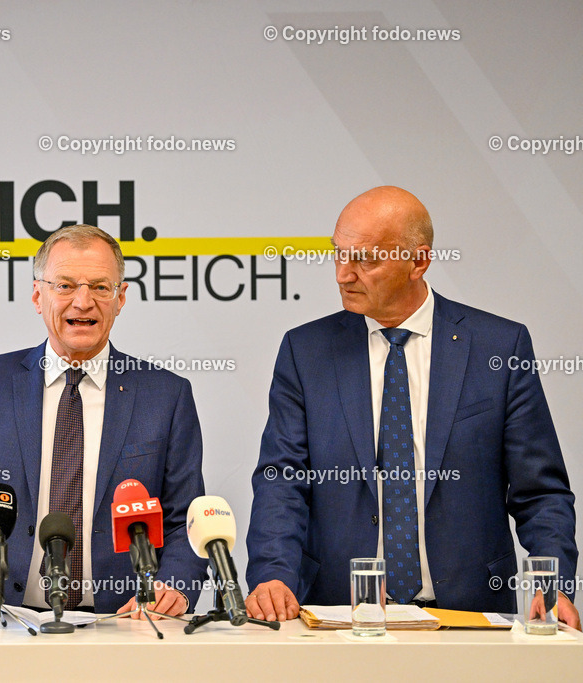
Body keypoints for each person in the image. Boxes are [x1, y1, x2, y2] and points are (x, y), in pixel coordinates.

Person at [245, 186, 579, 628]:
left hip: (471, 616)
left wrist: (550, 584)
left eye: (365, 259)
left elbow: (540, 492)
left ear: (418, 262)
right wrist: (273, 574)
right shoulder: (305, 352)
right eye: (338, 255)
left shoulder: (499, 347)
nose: (344, 275)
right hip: (339, 616)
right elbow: (282, 480)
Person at [0, 225, 207, 618]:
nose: (83, 302)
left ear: (121, 298)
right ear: (38, 296)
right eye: (65, 285)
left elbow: (186, 518)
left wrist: (174, 585)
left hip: (124, 621)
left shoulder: (166, 396)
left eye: (101, 287)